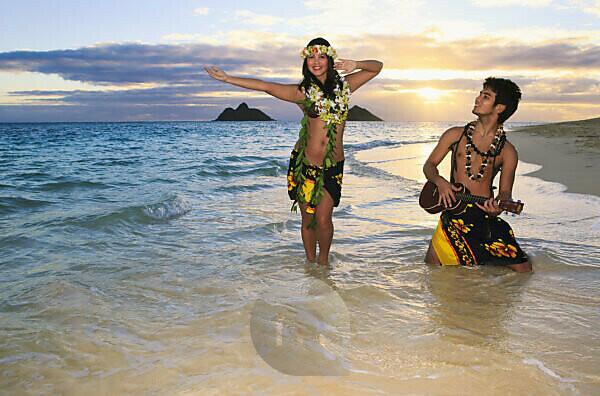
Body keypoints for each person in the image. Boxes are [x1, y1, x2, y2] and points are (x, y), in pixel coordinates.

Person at [205, 38, 383, 265]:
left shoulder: (345, 87)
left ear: (329, 59)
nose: (316, 62)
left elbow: (378, 67)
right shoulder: (302, 93)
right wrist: (228, 79)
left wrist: (356, 63)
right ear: (305, 61)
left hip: (332, 166)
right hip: (305, 166)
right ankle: (310, 264)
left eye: (321, 56)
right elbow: (266, 86)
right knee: (309, 219)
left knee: (324, 219)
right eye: (311, 57)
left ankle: (324, 264)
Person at [423, 77, 532, 272]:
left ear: (499, 108)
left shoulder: (507, 151)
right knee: (432, 271)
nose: (478, 98)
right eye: (480, 94)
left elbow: (505, 193)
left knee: (524, 270)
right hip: (454, 214)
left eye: (486, 96)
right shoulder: (454, 135)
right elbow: (429, 165)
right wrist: (440, 182)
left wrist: (497, 207)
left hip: (484, 217)